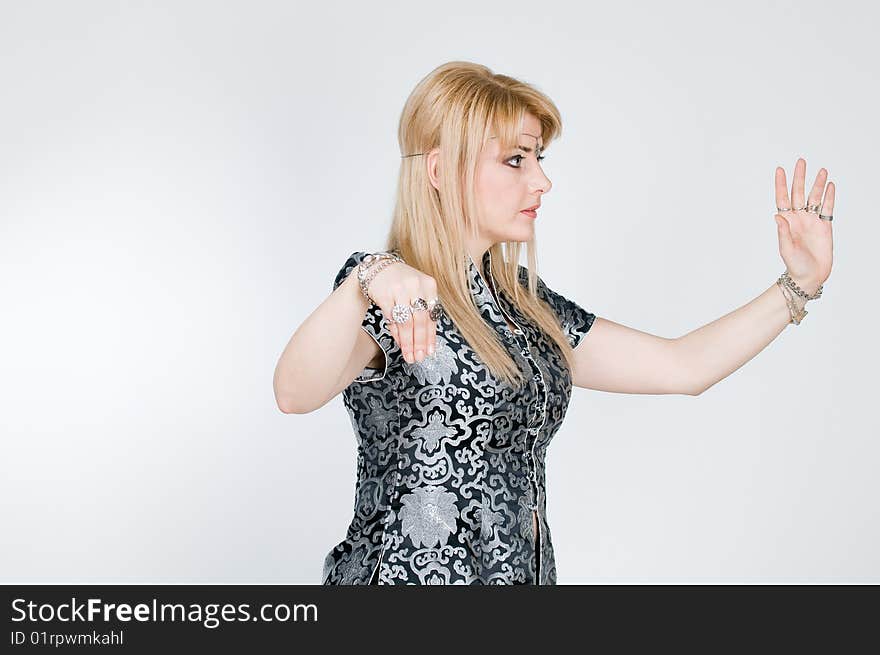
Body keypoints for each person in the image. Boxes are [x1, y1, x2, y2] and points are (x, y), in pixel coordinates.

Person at [272, 61, 835, 584]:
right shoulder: (390, 295)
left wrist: (798, 285)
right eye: (516, 159)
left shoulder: (525, 305)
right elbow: (293, 393)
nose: (542, 181)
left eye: (539, 159)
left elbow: (681, 366)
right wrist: (364, 281)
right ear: (441, 170)